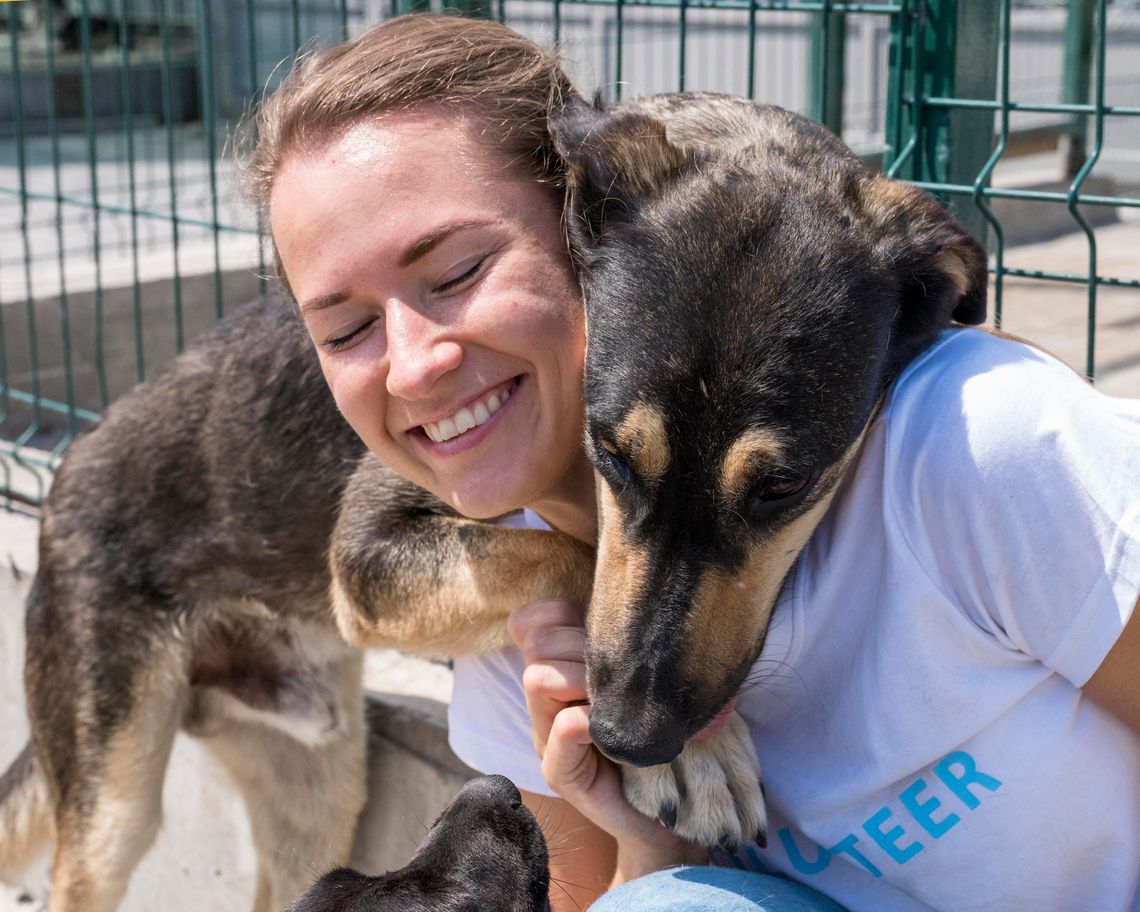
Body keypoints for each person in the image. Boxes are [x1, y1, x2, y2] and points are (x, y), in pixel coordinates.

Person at [245, 13, 1140, 911]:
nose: (414, 366)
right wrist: (651, 841)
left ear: (578, 237)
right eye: (346, 330)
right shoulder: (522, 621)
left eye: (458, 272)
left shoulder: (978, 441)